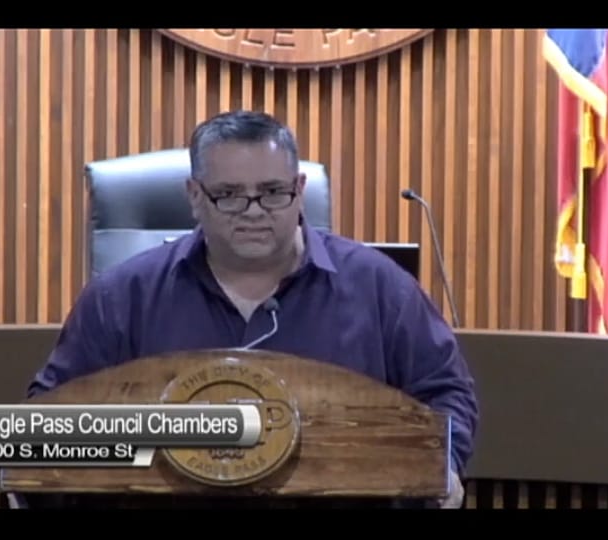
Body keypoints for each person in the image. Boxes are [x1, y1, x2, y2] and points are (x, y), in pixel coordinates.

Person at [27, 110, 479, 508]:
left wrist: (442, 464)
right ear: (194, 195)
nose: (253, 211)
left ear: (299, 190)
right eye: (229, 194)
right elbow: (47, 421)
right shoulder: (121, 297)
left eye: (272, 192)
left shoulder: (381, 289)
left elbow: (445, 393)